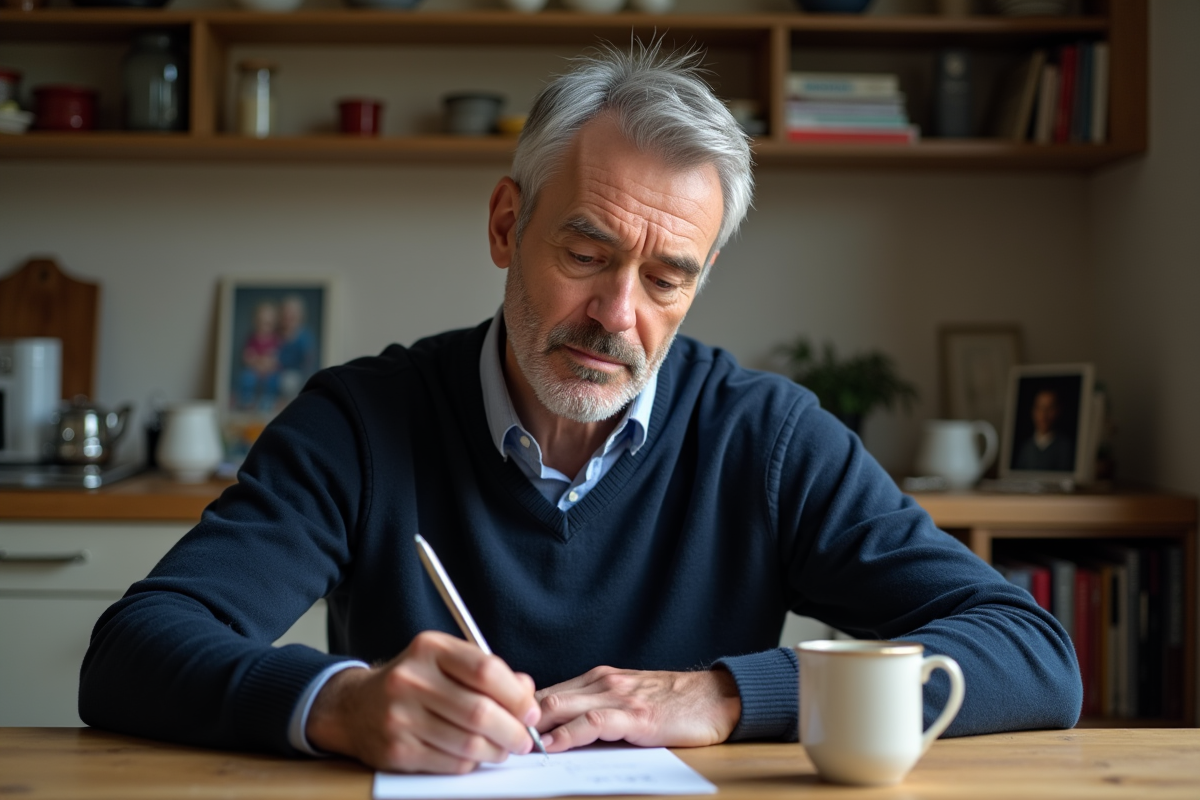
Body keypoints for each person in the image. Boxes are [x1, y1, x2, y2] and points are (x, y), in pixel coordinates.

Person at [80, 45, 1081, 775]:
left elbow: (1034, 654)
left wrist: (726, 694)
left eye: (667, 276)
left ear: (705, 277)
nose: (617, 316)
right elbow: (135, 648)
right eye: (587, 254)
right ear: (508, 224)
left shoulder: (766, 437)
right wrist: (337, 703)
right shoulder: (360, 421)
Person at [1014, 388, 1076, 472]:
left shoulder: (1065, 447)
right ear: (1033, 411)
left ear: (1057, 411)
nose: (1044, 414)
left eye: (1049, 408)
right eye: (1040, 408)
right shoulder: (1025, 448)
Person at [237, 301, 282, 412]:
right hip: (255, 369)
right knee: (246, 377)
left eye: (267, 323)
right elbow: (247, 356)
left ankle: (268, 400)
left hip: (270, 371)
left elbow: (275, 358)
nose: (263, 326)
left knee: (274, 380)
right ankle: (247, 400)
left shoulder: (275, 340)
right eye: (260, 322)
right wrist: (255, 362)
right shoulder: (252, 338)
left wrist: (266, 363)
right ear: (255, 322)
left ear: (274, 324)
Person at [276, 294, 318, 404]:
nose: (288, 316)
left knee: (289, 382)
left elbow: (308, 362)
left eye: (292, 313)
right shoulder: (275, 335)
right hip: (276, 374)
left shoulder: (305, 336)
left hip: (296, 376)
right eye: (285, 312)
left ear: (300, 315)